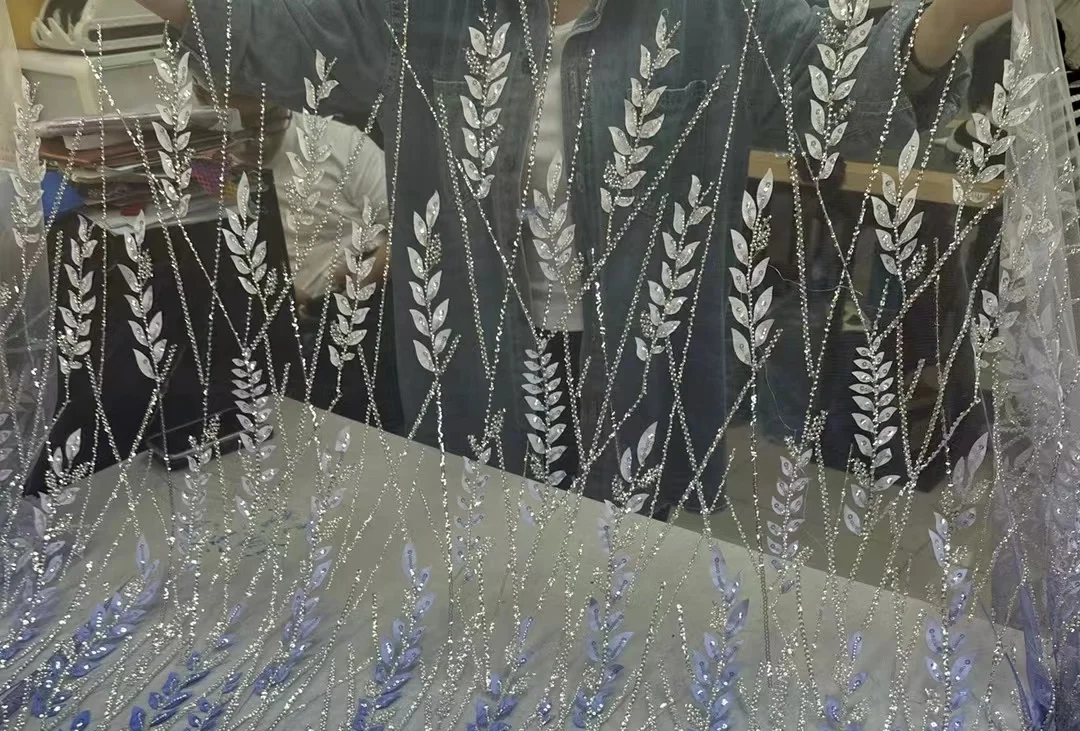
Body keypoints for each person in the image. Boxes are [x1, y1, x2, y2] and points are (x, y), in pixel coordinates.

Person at [139, 0, 1010, 513]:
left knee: (633, 591)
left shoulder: (713, 14)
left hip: (642, 371)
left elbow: (841, 90)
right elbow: (269, 37)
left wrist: (947, 20)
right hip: (476, 366)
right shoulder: (428, 14)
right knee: (492, 577)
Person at [272, 115, 403, 428]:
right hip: (274, 328)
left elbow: (414, 230)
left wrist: (368, 272)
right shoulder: (207, 162)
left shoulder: (340, 144)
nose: (254, 140)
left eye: (263, 125)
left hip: (357, 306)